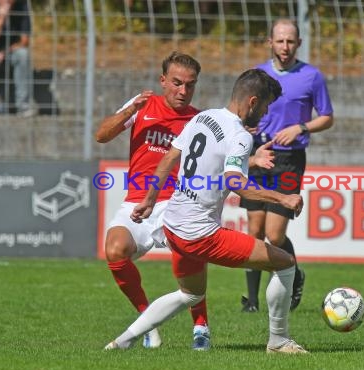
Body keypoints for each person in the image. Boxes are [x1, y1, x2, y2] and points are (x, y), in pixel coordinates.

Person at [104, 68, 308, 354]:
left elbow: (171, 156)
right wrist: (282, 198)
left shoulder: (204, 117)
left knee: (190, 293)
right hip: (200, 234)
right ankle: (279, 341)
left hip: (173, 224)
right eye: (265, 106)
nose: (265, 114)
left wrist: (150, 199)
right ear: (252, 102)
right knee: (285, 263)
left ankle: (121, 342)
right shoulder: (240, 135)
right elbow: (235, 182)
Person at [95, 51, 212, 350]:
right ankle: (147, 322)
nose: (183, 91)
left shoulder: (199, 121)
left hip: (177, 204)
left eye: (190, 85)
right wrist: (128, 111)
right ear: (162, 81)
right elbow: (101, 136)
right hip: (137, 202)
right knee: (115, 249)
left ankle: (201, 326)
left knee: (190, 259)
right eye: (176, 83)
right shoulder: (142, 106)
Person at [239, 18, 334, 313]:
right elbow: (243, 110)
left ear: (299, 43)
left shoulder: (311, 76)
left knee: (275, 234)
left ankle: (295, 274)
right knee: (254, 230)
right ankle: (252, 300)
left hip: (289, 159)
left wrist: (301, 128)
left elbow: (327, 116)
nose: (285, 46)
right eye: (279, 41)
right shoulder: (257, 75)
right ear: (270, 42)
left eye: (290, 41)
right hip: (258, 154)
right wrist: (247, 127)